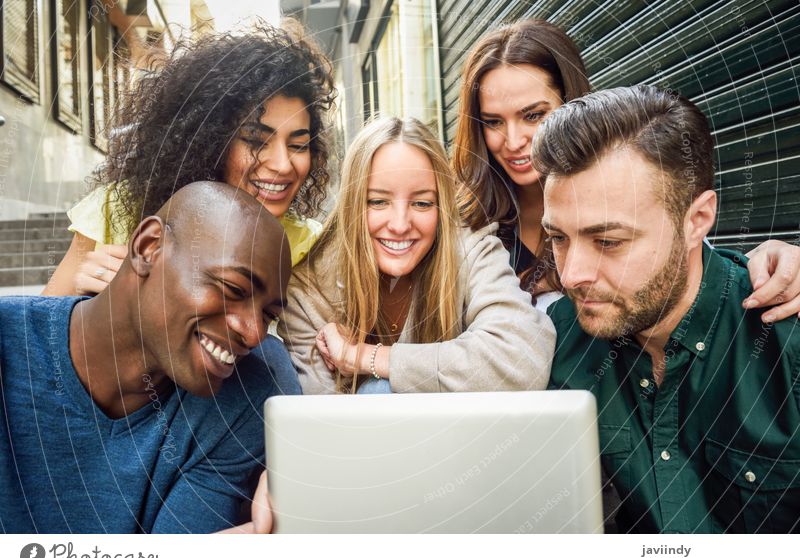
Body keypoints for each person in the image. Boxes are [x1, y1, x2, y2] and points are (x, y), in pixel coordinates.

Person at [538, 85, 800, 533]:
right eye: (558, 238)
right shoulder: (559, 346)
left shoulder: (785, 341)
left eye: (608, 241)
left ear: (697, 220)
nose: (572, 275)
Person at [1, 182, 299, 533]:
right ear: (148, 247)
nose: (252, 333)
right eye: (233, 289)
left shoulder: (242, 398)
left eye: (268, 315)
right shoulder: (9, 345)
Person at [452, 19, 800, 318]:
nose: (513, 140)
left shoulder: (636, 185)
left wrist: (770, 263)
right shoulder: (466, 224)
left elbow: (691, 275)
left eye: (533, 115)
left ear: (571, 103)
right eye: (493, 121)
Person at [43, 20, 335, 296]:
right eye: (256, 141)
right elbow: (35, 336)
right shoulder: (116, 211)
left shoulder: (304, 244)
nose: (283, 164)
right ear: (209, 140)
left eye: (298, 145)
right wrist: (80, 306)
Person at [279, 117, 555, 394]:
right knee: (376, 394)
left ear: (441, 205)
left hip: (462, 433)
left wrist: (367, 358)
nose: (400, 225)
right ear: (352, 205)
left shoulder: (469, 246)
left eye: (422, 203)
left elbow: (522, 358)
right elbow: (326, 427)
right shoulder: (309, 291)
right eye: (378, 201)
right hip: (371, 437)